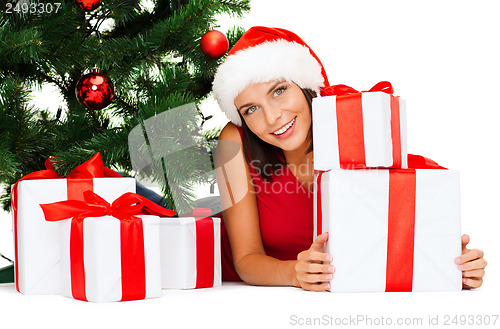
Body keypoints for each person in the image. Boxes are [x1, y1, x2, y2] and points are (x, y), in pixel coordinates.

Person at [212, 26, 486, 291]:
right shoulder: (234, 140)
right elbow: (246, 259)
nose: (272, 118)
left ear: (306, 86)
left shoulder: (352, 126)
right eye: (251, 110)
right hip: (231, 284)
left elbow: (403, 204)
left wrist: (450, 263)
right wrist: (295, 273)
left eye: (279, 91)